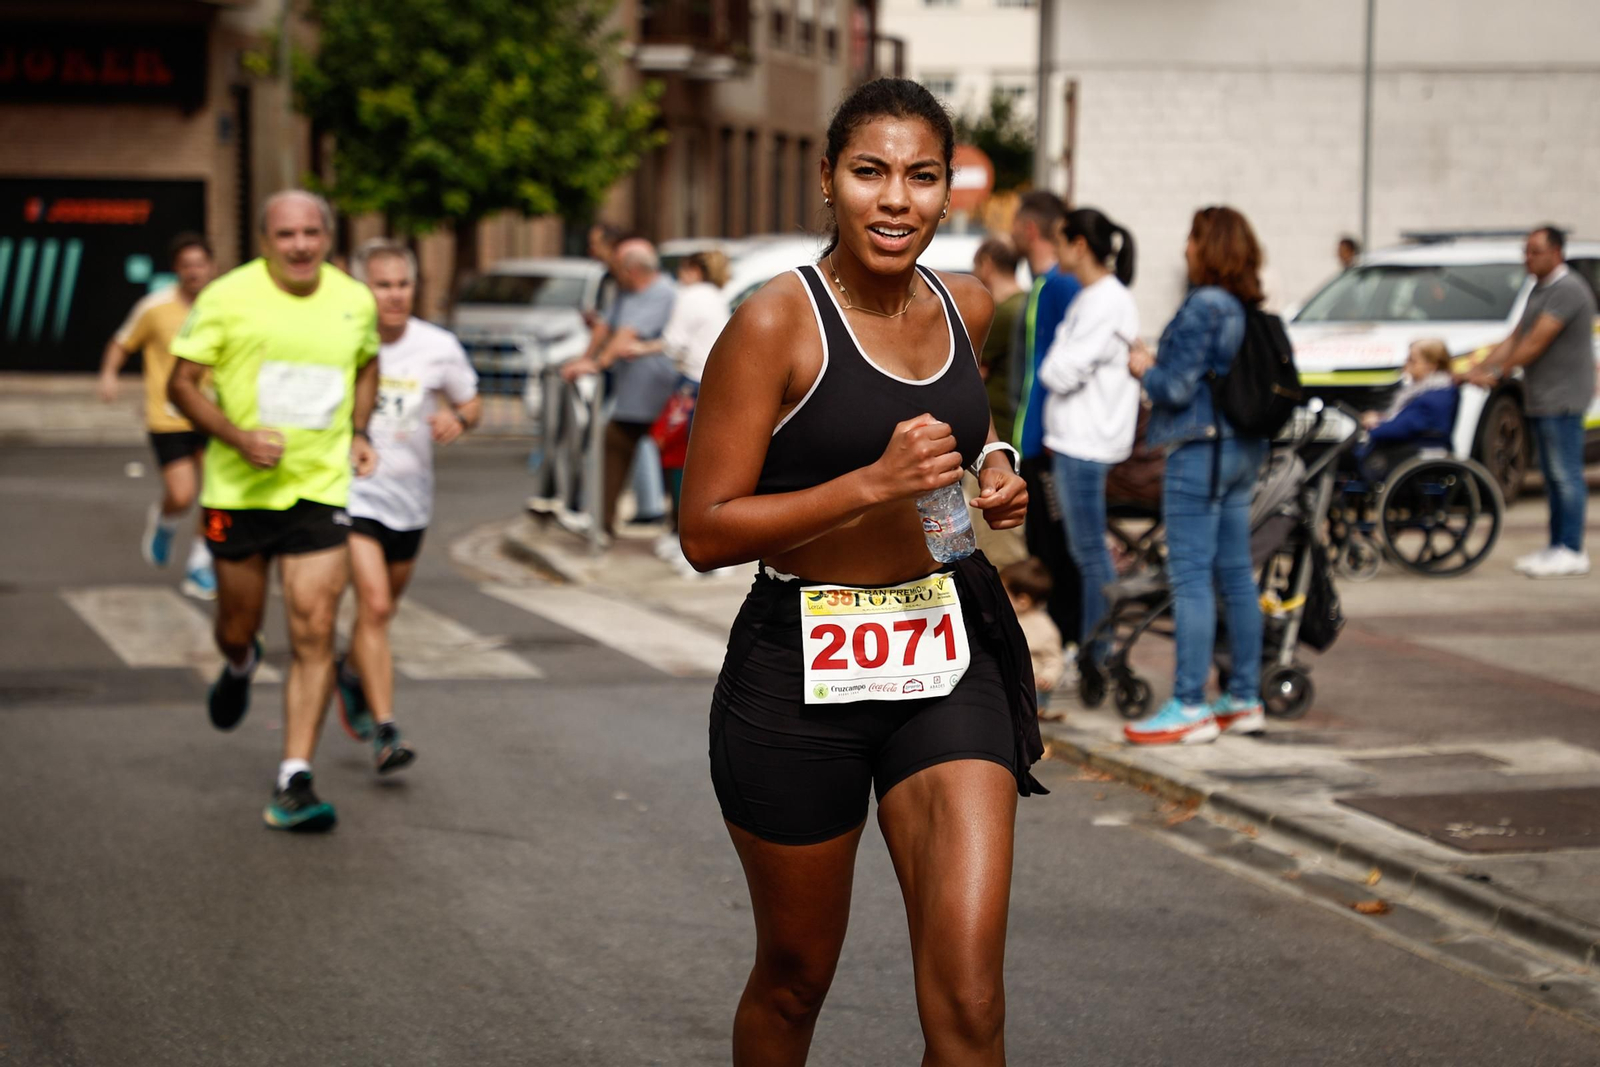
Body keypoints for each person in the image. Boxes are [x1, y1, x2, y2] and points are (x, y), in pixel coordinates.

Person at [679, 78, 1043, 1066]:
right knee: (795, 977)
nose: (896, 198)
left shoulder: (960, 301)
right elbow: (705, 529)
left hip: (946, 642)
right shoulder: (773, 324)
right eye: (870, 172)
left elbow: (969, 435)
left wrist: (995, 469)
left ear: (946, 192)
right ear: (828, 183)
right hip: (799, 663)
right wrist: (865, 484)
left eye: (921, 176)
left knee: (969, 997)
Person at [168, 190, 381, 832]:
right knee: (238, 626)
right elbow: (181, 382)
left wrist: (360, 431)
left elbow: (368, 362)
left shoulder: (354, 299)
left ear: (328, 236)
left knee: (315, 628)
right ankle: (238, 663)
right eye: (286, 234)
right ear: (265, 239)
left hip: (319, 488)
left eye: (312, 233)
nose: (300, 245)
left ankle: (295, 776)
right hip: (238, 492)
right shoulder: (227, 297)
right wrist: (236, 439)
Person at [332, 239, 481, 773]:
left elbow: (471, 400)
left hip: (411, 502)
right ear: (362, 288)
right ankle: (386, 728)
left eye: (402, 284)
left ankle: (349, 672)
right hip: (354, 492)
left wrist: (458, 420)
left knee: (383, 611)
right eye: (382, 284)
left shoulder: (437, 345)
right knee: (372, 606)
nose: (394, 295)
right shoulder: (342, 339)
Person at [1126, 206, 1270, 745]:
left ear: (1205, 247)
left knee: (1189, 578)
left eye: (1191, 238)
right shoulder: (1243, 306)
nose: (1185, 248)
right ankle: (1244, 697)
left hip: (1197, 450)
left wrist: (1144, 367)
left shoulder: (1203, 306)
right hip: (1241, 451)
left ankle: (1189, 703)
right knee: (1235, 576)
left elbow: (1175, 388)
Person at [1039, 207, 1140, 665]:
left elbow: (1058, 372)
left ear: (1079, 245)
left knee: (1090, 554)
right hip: (1076, 442)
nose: (1055, 251)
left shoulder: (1105, 300)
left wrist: (1057, 362)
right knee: (1086, 552)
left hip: (1086, 444)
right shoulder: (1093, 296)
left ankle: (1098, 655)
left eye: (1060, 241)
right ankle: (1094, 650)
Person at [1466, 225, 1595, 579]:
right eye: (1525, 251)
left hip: (1563, 398)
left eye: (1534, 251)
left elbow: (1537, 342)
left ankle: (1572, 548)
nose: (1527, 258)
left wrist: (1499, 373)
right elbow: (1516, 337)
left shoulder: (1567, 289)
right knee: (1553, 477)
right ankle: (1557, 546)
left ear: (1556, 252)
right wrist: (1479, 366)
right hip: (1543, 397)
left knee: (1565, 474)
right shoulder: (1541, 288)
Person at [97, 233, 219, 600]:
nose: (194, 272)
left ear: (212, 267)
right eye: (187, 265)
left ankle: (201, 562)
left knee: (217, 495)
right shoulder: (155, 307)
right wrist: (109, 374)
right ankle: (166, 520)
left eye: (200, 264)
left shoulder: (225, 305)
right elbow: (121, 341)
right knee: (183, 495)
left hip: (217, 415)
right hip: (169, 416)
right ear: (176, 270)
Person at [560, 238, 677, 538]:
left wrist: (596, 365)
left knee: (674, 459)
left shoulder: (662, 291)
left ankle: (678, 531)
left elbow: (626, 334)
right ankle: (601, 523)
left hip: (659, 391)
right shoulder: (625, 293)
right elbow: (604, 326)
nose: (615, 274)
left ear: (634, 270)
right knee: (612, 447)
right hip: (631, 395)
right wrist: (585, 358)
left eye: (620, 268)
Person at [621, 249, 732, 564]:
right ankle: (682, 533)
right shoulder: (714, 295)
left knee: (679, 460)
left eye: (682, 270)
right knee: (700, 462)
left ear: (694, 270)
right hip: (710, 385)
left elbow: (673, 341)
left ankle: (683, 534)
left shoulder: (692, 295)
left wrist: (639, 348)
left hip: (691, 385)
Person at [1008, 190, 1084, 651]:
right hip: (1030, 443)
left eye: (1016, 223)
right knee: (1040, 548)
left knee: (1060, 551)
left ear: (1030, 229)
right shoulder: (1040, 285)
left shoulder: (1061, 286)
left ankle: (1070, 640)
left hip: (1050, 445)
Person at [1356, 339, 1457, 480]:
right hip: (1410, 447)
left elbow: (1406, 426)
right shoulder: (1427, 392)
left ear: (1431, 366)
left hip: (1415, 451)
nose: (1406, 365)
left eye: (1412, 360)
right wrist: (1381, 418)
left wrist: (1373, 427)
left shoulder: (1434, 396)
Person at [970, 236, 1025, 442]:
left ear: (987, 264)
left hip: (999, 427)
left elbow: (974, 370)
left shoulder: (1000, 314)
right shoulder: (1027, 302)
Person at [1001, 557, 1065, 719]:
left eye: (1002, 592)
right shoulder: (1003, 617)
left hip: (1032, 688)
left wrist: (1048, 677)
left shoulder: (1044, 628)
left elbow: (1054, 659)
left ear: (1022, 601)